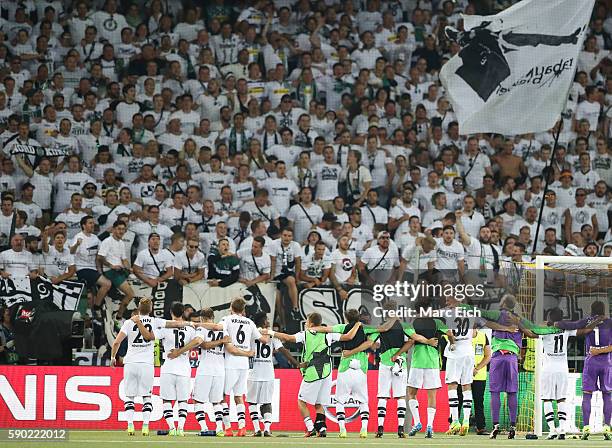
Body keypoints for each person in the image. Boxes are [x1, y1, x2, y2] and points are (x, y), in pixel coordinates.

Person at [262, 312, 360, 437]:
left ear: (311, 324)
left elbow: (288, 338)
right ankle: (322, 428)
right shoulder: (328, 334)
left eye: (307, 322)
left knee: (301, 401)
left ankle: (310, 428)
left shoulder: (305, 334)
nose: (306, 324)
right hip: (327, 372)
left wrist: (270, 332)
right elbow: (348, 337)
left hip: (313, 372)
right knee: (319, 403)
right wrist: (357, 325)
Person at [110, 298, 194, 436]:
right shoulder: (156, 321)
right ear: (151, 309)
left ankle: (130, 426)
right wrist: (191, 323)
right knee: (146, 396)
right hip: (147, 364)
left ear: (138, 307)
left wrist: (113, 357)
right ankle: (145, 426)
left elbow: (116, 342)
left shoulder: (129, 322)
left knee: (130, 396)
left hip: (130, 362)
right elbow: (175, 325)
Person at [554, 301, 611, 441]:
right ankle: (607, 427)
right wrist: (601, 351)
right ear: (604, 310)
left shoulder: (587, 321)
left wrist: (556, 323)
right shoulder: (610, 322)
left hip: (591, 361)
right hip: (607, 362)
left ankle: (586, 427)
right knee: (607, 394)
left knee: (587, 394)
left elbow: (570, 325)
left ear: (591, 311)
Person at [220, 298, 269, 437]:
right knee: (239, 396)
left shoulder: (226, 320)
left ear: (231, 307)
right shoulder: (250, 322)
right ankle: (242, 428)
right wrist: (269, 331)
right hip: (244, 365)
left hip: (230, 363)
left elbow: (218, 331)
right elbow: (264, 340)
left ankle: (228, 428)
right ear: (243, 310)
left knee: (222, 396)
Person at [248, 312, 298, 436]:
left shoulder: (252, 332)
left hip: (253, 372)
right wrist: (296, 363)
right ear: (264, 321)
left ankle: (256, 429)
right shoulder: (271, 334)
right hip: (268, 373)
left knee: (252, 402)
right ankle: (266, 429)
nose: (269, 322)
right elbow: (283, 351)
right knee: (267, 402)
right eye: (267, 320)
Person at [156, 302, 197, 437]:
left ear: (171, 313)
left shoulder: (165, 326)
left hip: (168, 367)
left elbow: (151, 336)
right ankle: (181, 428)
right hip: (184, 369)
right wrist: (181, 351)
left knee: (167, 401)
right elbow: (197, 341)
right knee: (183, 401)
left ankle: (172, 427)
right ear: (184, 312)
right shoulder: (190, 328)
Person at [97, 220, 135, 324]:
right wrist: (111, 266)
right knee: (130, 294)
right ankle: (118, 317)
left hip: (119, 270)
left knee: (131, 291)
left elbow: (124, 259)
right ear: (113, 229)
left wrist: (129, 267)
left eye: (123, 229)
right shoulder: (107, 241)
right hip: (110, 271)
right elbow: (100, 257)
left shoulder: (121, 243)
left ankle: (118, 316)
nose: (121, 231)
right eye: (119, 229)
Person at [472, 329, 492, 435]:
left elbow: (488, 355)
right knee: (459, 399)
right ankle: (454, 425)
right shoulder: (460, 336)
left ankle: (481, 427)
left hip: (479, 375)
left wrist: (477, 368)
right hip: (463, 374)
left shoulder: (483, 336)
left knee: (479, 402)